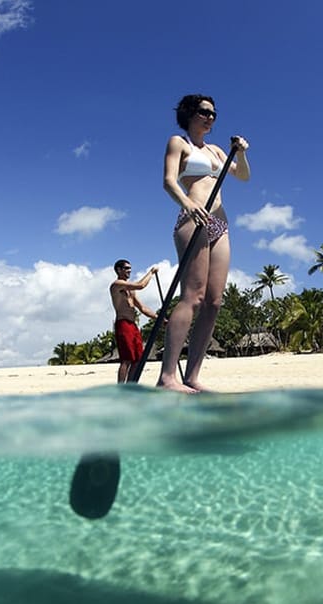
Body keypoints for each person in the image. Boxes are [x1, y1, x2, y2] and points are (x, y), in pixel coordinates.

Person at [158, 94, 250, 393]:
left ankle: (192, 375)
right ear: (189, 114)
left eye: (213, 113)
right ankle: (167, 377)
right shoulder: (178, 142)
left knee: (214, 302)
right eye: (203, 112)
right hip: (192, 220)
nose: (210, 117)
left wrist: (241, 153)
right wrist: (186, 203)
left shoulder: (217, 150)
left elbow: (243, 177)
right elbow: (169, 181)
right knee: (193, 297)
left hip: (220, 223)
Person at [110, 259, 160, 383]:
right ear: (119, 270)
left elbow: (142, 308)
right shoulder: (116, 285)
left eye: (130, 268)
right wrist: (151, 272)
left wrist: (159, 318)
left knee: (138, 359)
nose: (129, 271)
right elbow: (141, 285)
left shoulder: (130, 290)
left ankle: (131, 386)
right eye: (126, 268)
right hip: (123, 324)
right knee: (127, 359)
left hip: (133, 326)